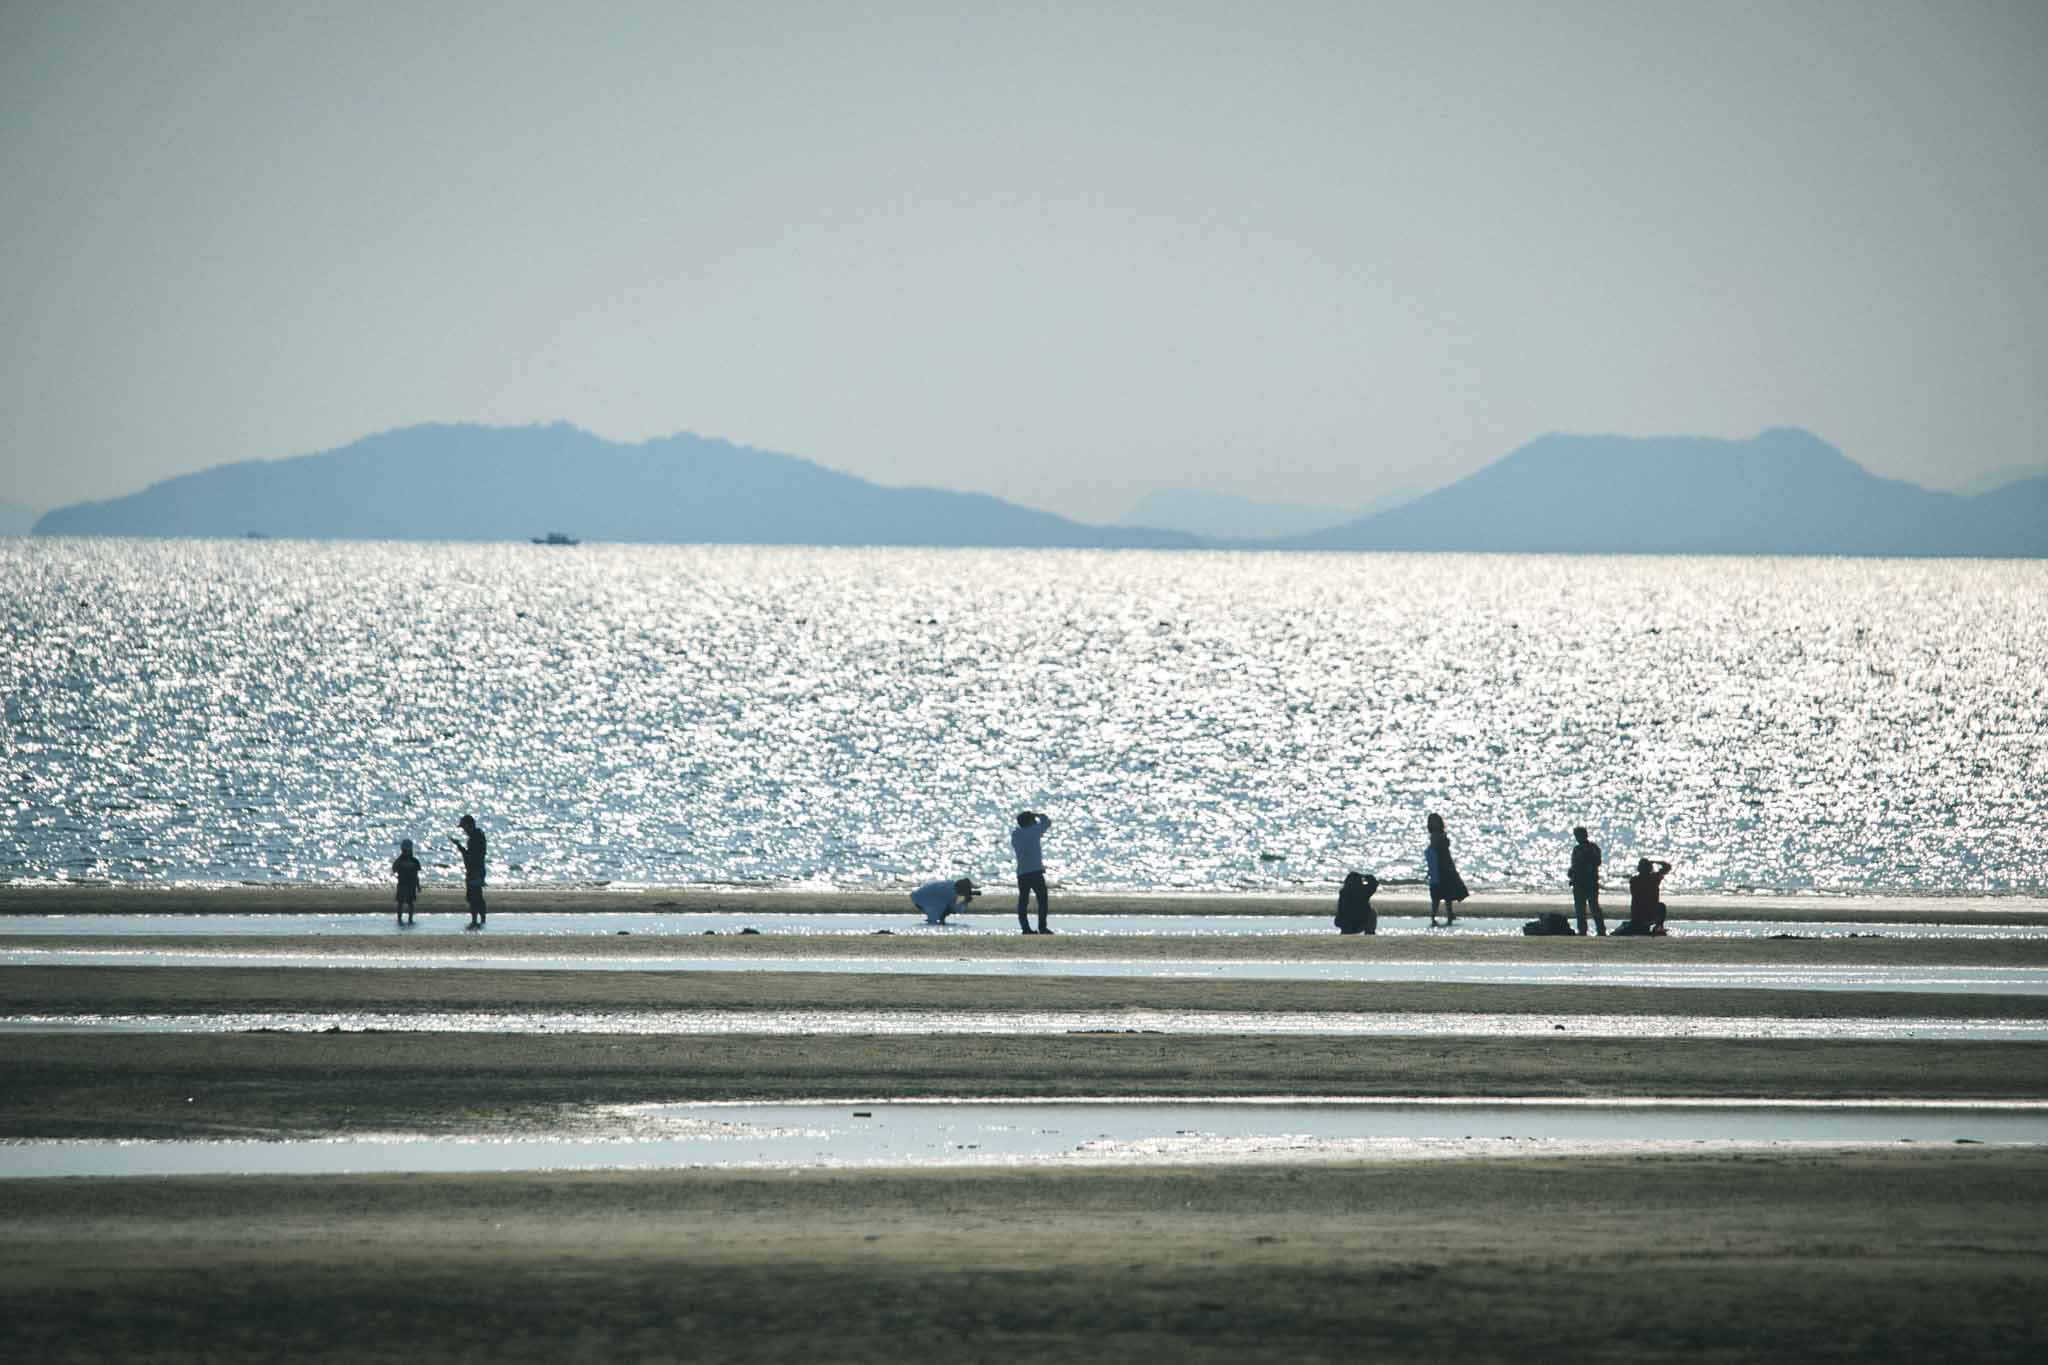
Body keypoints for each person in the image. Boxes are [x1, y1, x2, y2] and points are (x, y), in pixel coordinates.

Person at [1012, 810, 1053, 935]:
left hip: (1022, 873)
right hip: (1035, 871)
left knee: (1023, 901)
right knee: (1042, 899)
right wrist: (1037, 815)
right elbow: (1046, 822)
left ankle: (1025, 928)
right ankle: (1042, 927)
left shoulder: (1015, 834)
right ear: (1030, 822)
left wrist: (1031, 818)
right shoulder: (1034, 830)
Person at [1425, 812, 1469, 926]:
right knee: (1437, 895)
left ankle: (1449, 915)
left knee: (1447, 894)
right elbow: (1433, 853)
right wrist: (1431, 869)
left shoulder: (1439, 834)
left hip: (1446, 865)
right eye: (1432, 821)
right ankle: (1434, 917)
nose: (1434, 823)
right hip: (1440, 867)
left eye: (1436, 821)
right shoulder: (1435, 835)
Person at [451, 814, 488, 929]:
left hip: (474, 870)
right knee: (477, 896)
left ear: (469, 825)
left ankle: (476, 921)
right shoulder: (478, 835)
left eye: (464, 827)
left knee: (473, 897)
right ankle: (481, 920)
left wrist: (459, 846)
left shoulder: (474, 838)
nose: (463, 830)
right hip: (478, 869)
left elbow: (470, 856)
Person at [1569, 825, 1605, 936]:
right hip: (1586, 882)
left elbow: (1594, 862)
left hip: (1585, 882)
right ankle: (1594, 930)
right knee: (1588, 907)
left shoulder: (1584, 849)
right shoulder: (1588, 848)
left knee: (1586, 908)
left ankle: (1589, 930)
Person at [1622, 858, 1672, 935]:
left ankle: (1656, 927)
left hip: (1637, 914)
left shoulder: (1634, 880)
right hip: (1649, 913)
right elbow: (1667, 867)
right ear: (1650, 868)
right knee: (1661, 906)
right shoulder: (1654, 878)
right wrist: (1655, 861)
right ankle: (1659, 927)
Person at [910, 877, 980, 925]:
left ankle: (937, 920)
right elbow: (957, 909)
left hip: (918, 896)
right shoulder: (950, 892)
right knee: (944, 908)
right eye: (967, 889)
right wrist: (965, 902)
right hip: (921, 898)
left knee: (945, 907)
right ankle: (934, 921)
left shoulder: (951, 885)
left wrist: (964, 900)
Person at [391, 839, 420, 926]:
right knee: (400, 902)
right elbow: (394, 869)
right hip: (402, 884)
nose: (406, 852)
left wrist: (418, 885)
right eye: (405, 850)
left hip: (411, 885)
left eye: (407, 850)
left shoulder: (415, 861)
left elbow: (416, 875)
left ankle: (410, 919)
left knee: (410, 903)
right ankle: (399, 919)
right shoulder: (400, 860)